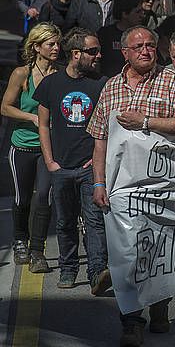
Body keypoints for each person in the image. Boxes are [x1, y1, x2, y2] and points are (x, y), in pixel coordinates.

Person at [88, 25, 175, 346]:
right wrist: (98, 183)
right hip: (122, 189)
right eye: (139, 47)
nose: (146, 50)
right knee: (125, 255)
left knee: (160, 251)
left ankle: (160, 305)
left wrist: (146, 122)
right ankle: (131, 322)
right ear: (125, 52)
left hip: (162, 186)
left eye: (151, 45)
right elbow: (100, 140)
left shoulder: (173, 80)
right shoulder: (110, 88)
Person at [33, 28, 109, 292]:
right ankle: (68, 269)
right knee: (65, 222)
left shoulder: (101, 83)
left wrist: (99, 160)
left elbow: (110, 127)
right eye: (92, 51)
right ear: (75, 54)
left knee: (95, 220)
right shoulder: (51, 84)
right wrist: (50, 160)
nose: (98, 55)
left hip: (90, 168)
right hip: (61, 167)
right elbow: (43, 125)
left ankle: (97, 271)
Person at [1, 24, 61, 271]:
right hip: (23, 145)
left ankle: (38, 250)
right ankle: (19, 240)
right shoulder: (21, 74)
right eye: (51, 44)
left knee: (44, 197)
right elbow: (5, 107)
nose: (57, 48)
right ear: (36, 47)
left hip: (49, 147)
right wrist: (33, 118)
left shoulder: (60, 74)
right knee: (22, 198)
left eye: (58, 44)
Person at [97, 0, 145, 78]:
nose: (142, 15)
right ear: (125, 14)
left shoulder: (143, 36)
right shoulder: (105, 35)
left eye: (142, 11)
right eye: (137, 12)